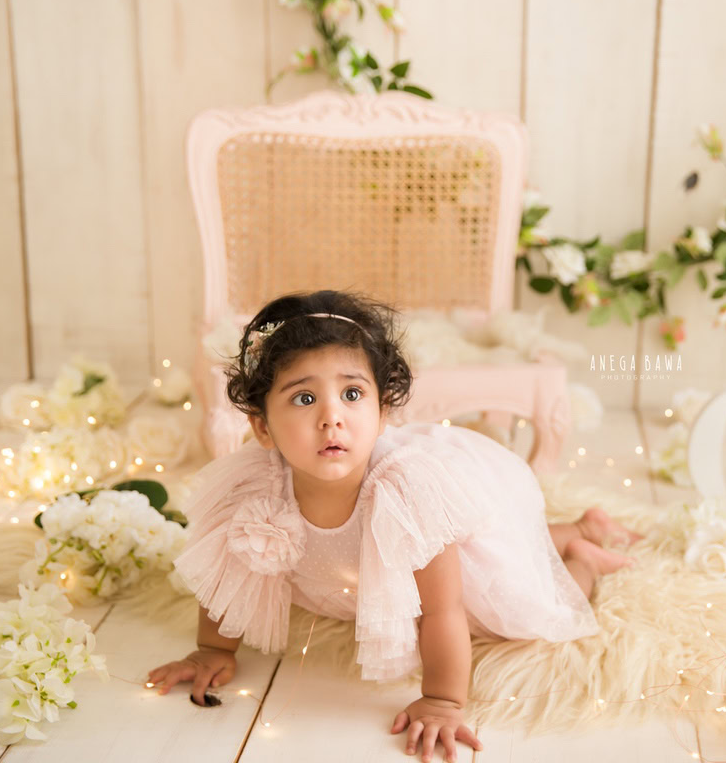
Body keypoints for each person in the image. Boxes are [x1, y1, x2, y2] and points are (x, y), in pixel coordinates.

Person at [145, 290, 643, 763]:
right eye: (303, 399)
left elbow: (442, 611)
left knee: (524, 604)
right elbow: (226, 574)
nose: (331, 417)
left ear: (382, 412)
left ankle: (582, 558)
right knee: (498, 551)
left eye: (352, 393)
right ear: (261, 426)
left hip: (437, 574)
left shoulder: (404, 495)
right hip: (351, 577)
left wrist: (443, 700)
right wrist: (212, 648)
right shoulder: (254, 487)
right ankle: (574, 527)